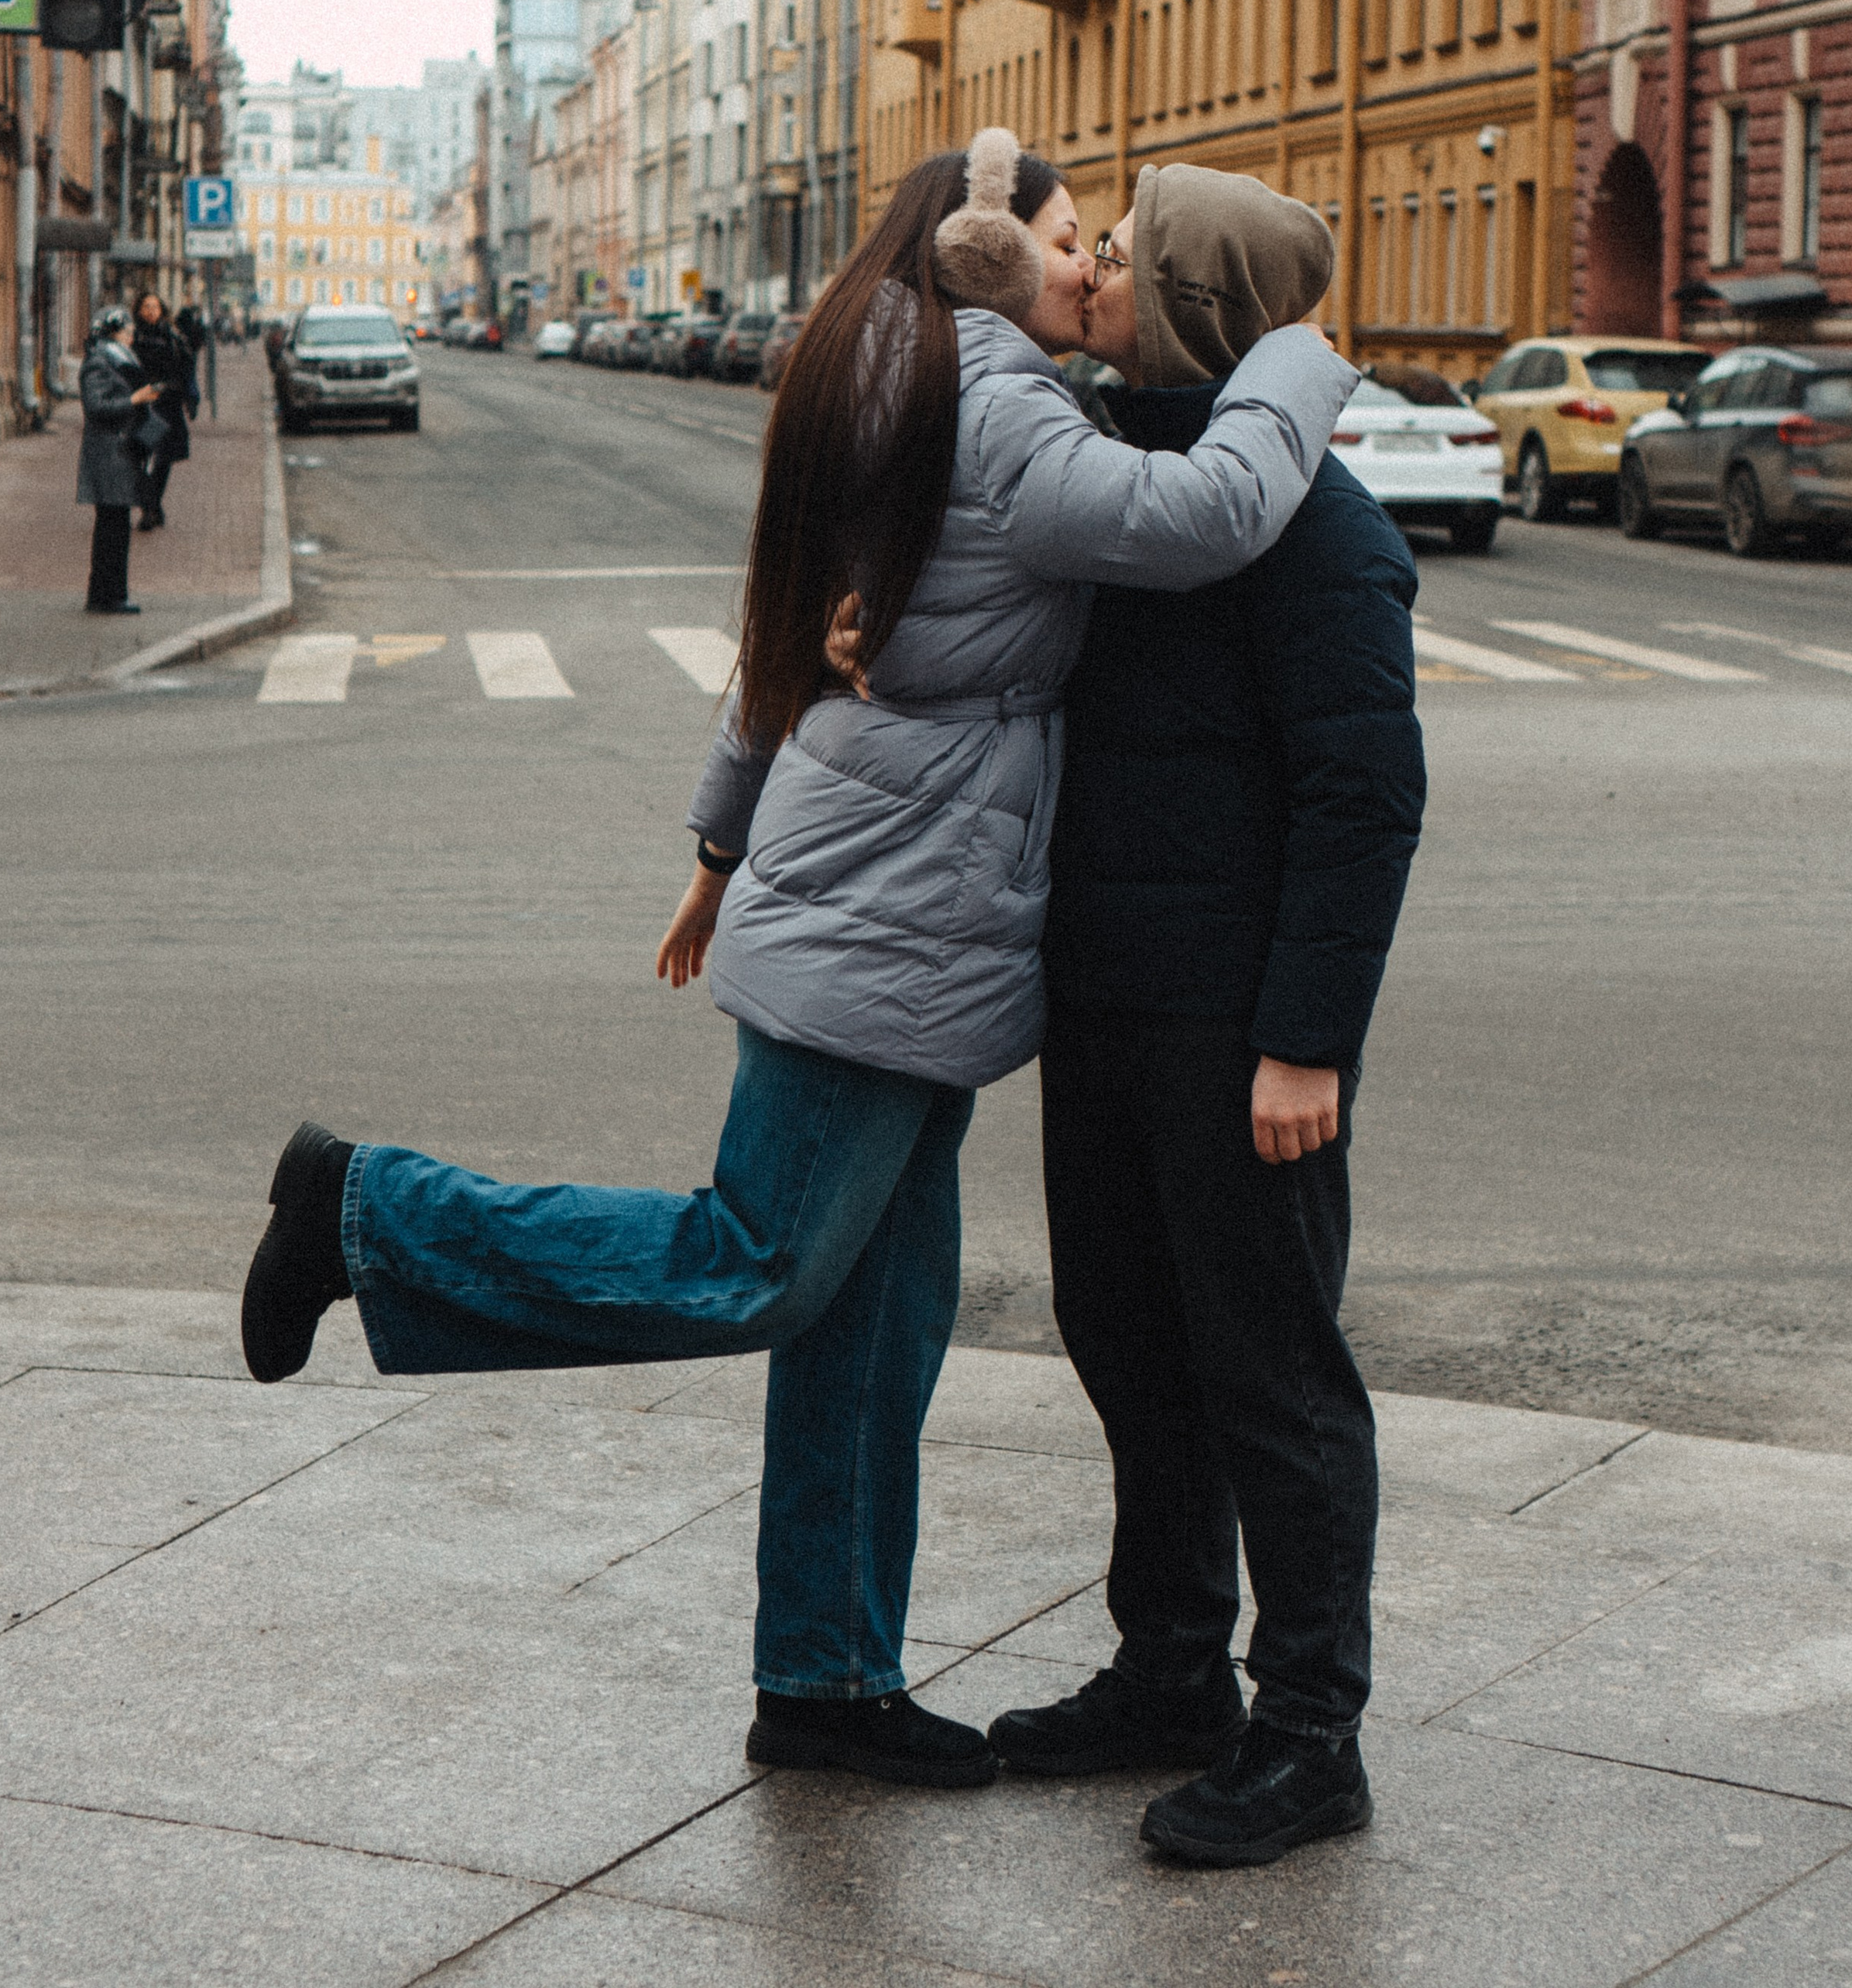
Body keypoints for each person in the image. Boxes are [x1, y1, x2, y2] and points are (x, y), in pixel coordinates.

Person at [239, 129, 1360, 1791]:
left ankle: (824, 1680)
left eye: (1101, 249)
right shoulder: (990, 404)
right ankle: (364, 1213)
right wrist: (1294, 363)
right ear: (979, 251)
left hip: (900, 911)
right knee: (753, 1263)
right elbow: (1197, 515)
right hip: (889, 917)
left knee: (872, 1326)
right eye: (1066, 239)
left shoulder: (915, 390)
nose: (1084, 266)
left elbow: (788, 635)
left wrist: (716, 843)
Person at [983, 165, 1425, 1869]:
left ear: (1181, 299)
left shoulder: (1311, 525)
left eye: (1118, 255)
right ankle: (1170, 1671)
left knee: (1271, 1378)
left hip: (1242, 1032)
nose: (1083, 269)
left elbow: (1360, 799)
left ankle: (1311, 1734)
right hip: (1103, 1006)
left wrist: (1305, 1037)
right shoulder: (1127, 479)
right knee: (1125, 1342)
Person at [77, 306, 164, 614]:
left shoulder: (118, 359)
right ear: (114, 332)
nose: (132, 337)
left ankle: (110, 594)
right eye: (127, 331)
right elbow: (96, 406)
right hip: (108, 454)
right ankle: (107, 597)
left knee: (116, 527)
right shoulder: (99, 362)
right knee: (111, 528)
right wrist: (134, 400)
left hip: (120, 452)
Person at [129, 290, 194, 530]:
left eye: (155, 307)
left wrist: (190, 397)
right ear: (138, 310)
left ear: (162, 310)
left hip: (168, 404)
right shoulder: (132, 336)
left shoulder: (172, 336)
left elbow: (187, 366)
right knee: (139, 457)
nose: (151, 311)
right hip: (141, 404)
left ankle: (152, 505)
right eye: (146, 306)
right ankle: (150, 506)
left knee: (164, 459)